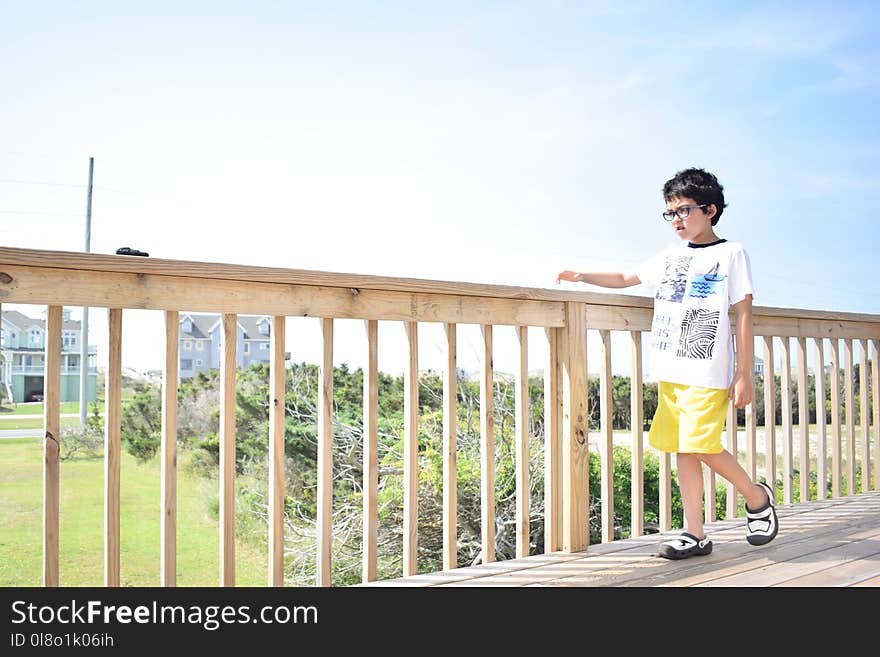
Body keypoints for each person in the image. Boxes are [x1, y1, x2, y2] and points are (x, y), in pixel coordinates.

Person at [556, 167, 778, 560]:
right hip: (670, 369)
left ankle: (756, 497)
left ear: (710, 210)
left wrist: (745, 373)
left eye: (684, 210)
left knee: (701, 443)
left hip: (708, 369)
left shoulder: (731, 253)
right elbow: (627, 276)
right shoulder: (670, 256)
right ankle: (695, 533)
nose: (676, 220)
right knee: (682, 448)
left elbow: (743, 313)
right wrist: (581, 275)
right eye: (670, 213)